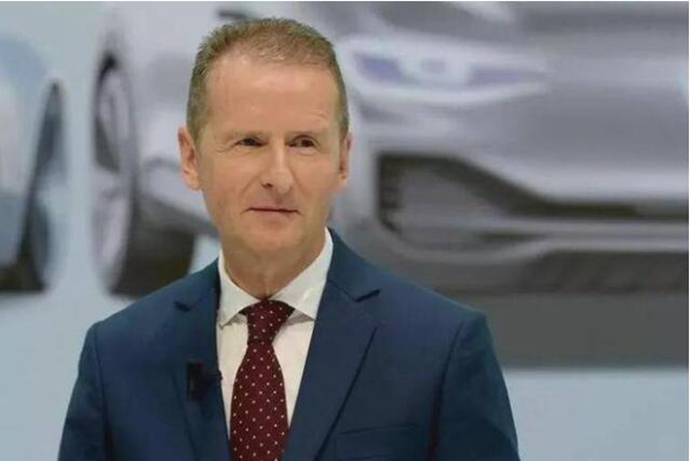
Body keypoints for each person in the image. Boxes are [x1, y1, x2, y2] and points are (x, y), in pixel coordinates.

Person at [59, 18, 519, 461]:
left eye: (304, 143)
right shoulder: (117, 359)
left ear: (343, 161)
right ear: (191, 159)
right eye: (249, 142)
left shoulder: (441, 349)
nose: (278, 177)